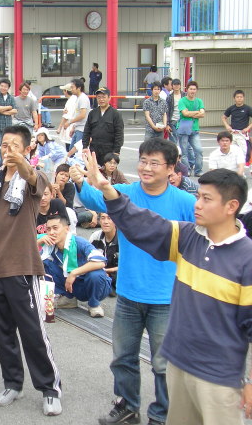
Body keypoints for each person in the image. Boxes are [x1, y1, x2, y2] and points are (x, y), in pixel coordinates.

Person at [86, 160, 252, 425]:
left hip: (219, 380)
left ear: (231, 206)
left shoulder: (246, 259)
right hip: (179, 366)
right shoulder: (188, 237)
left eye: (206, 199)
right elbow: (144, 224)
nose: (197, 204)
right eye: (198, 196)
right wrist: (108, 190)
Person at [70, 139, 196, 425]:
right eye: (143, 161)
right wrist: (80, 181)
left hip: (167, 298)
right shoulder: (126, 193)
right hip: (128, 294)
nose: (146, 168)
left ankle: (162, 414)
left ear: (171, 168)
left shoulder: (185, 202)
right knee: (123, 357)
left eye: (154, 163)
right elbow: (94, 199)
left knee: (164, 364)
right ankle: (127, 406)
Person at [0, 124, 62, 417]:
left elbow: (31, 176)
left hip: (22, 266)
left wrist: (20, 162)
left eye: (14, 145)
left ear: (27, 149)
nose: (7, 149)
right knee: (3, 331)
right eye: (4, 144)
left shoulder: (33, 177)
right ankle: (13, 384)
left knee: (33, 331)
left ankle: (50, 389)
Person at [41, 215, 111, 317]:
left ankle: (94, 304)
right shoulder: (49, 245)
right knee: (44, 264)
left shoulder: (79, 242)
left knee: (96, 274)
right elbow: (27, 255)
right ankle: (68, 298)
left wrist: (74, 273)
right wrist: (39, 241)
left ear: (67, 229)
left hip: (91, 284)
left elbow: (101, 262)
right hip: (74, 286)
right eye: (48, 229)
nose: (51, 232)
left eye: (55, 228)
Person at [82, 87, 124, 165]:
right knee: (91, 169)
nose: (101, 99)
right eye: (99, 97)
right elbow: (87, 131)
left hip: (109, 149)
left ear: (109, 98)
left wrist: (116, 150)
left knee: (107, 170)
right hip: (94, 148)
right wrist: (85, 146)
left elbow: (119, 133)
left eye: (104, 97)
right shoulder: (92, 113)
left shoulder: (115, 114)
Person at [177, 81, 205, 177]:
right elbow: (184, 113)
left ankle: (198, 170)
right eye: (191, 89)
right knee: (184, 152)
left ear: (196, 90)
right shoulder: (182, 101)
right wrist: (197, 112)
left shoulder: (199, 101)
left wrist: (190, 113)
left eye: (194, 89)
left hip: (195, 129)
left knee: (199, 150)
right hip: (183, 130)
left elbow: (203, 114)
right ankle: (187, 170)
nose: (192, 91)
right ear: (187, 89)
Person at [0, 78, 18, 169]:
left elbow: (15, 111)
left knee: (6, 147)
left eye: (5, 86)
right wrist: (8, 107)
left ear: (8, 88)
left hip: (7, 127)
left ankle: (4, 165)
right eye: (1, 86)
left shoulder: (11, 98)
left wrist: (2, 110)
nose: (3, 88)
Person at [89, 213, 119, 296]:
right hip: (99, 270)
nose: (106, 222)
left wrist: (107, 271)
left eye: (109, 218)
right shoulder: (95, 236)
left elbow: (127, 265)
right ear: (99, 221)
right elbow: (88, 258)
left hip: (117, 272)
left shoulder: (123, 239)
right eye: (103, 218)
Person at [222, 89, 252, 172]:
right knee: (232, 152)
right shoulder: (231, 108)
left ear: (243, 98)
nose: (239, 99)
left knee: (244, 153)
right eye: (237, 97)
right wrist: (227, 126)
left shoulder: (247, 108)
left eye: (241, 97)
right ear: (234, 98)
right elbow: (224, 117)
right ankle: (234, 171)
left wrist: (247, 128)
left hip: (242, 135)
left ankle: (242, 172)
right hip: (233, 134)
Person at [63, 78, 90, 150]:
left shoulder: (83, 98)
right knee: (72, 151)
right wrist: (74, 127)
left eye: (72, 87)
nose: (71, 89)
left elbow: (82, 115)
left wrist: (69, 122)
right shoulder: (78, 98)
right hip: (78, 128)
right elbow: (78, 114)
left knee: (77, 151)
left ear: (79, 88)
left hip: (82, 129)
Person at [165, 79, 185, 145]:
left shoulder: (185, 95)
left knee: (184, 141)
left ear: (180, 86)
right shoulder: (169, 97)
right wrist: (167, 124)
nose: (176, 86)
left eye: (178, 84)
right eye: (175, 85)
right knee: (173, 141)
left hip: (183, 120)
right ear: (172, 86)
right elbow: (167, 111)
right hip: (173, 121)